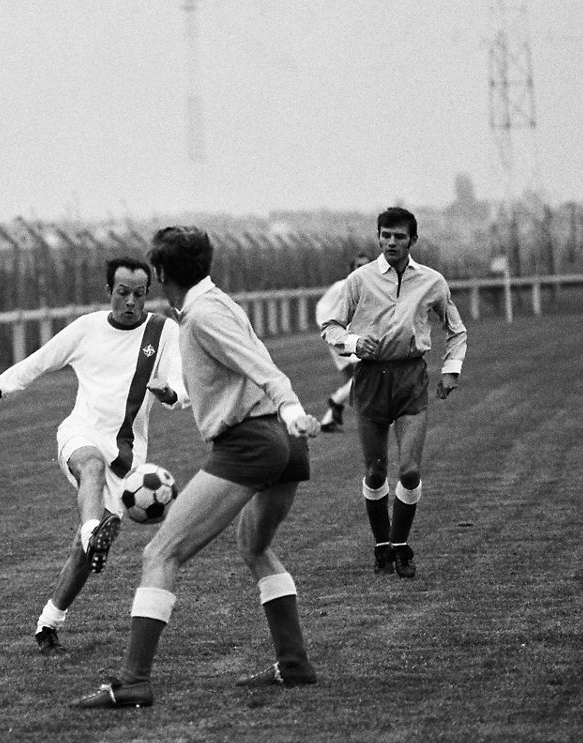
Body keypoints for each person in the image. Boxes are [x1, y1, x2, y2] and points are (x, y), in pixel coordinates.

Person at [73, 225, 322, 710]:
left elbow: (262, 368)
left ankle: (133, 681)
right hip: (280, 443)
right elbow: (237, 363)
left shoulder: (204, 315)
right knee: (255, 547)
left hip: (252, 440)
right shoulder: (213, 305)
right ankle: (294, 664)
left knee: (160, 554)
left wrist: (291, 407)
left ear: (161, 273)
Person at [0, 257, 187, 656]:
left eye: (139, 294)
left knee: (80, 555)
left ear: (147, 295)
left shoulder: (163, 331)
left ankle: (49, 621)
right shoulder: (87, 328)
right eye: (122, 293)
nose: (130, 302)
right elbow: (42, 358)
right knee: (90, 465)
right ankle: (93, 531)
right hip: (81, 432)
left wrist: (170, 394)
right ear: (109, 291)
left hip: (127, 457)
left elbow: (181, 384)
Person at [319, 207, 467, 578]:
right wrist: (353, 342)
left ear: (412, 241)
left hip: (410, 377)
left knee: (411, 470)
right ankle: (382, 544)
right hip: (370, 379)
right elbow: (331, 326)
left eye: (399, 236)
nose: (391, 242)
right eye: (385, 235)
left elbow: (456, 328)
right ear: (378, 237)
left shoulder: (432, 281)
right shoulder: (360, 280)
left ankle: (400, 545)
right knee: (375, 470)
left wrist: (450, 370)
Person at [315, 253, 373, 432]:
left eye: (365, 266)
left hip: (353, 338)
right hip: (340, 339)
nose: (361, 269)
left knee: (360, 379)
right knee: (367, 374)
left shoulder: (367, 288)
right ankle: (336, 401)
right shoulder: (341, 287)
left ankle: (328, 419)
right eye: (358, 265)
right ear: (352, 269)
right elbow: (321, 309)